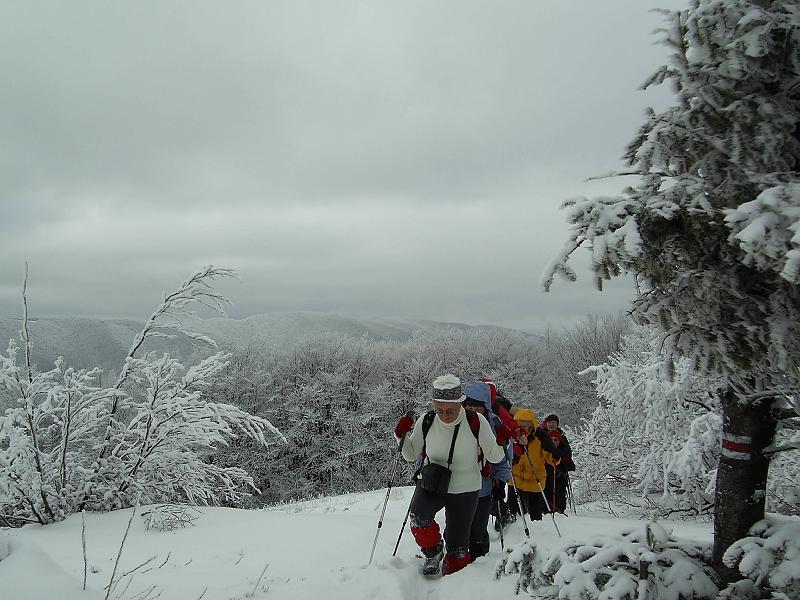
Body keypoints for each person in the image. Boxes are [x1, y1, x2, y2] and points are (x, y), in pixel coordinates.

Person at [393, 374, 508, 576]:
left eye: (450, 410)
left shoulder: (476, 421)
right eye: (440, 409)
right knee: (418, 517)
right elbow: (411, 455)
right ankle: (434, 550)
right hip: (433, 481)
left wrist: (502, 441)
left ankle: (454, 585)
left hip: (466, 487)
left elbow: (495, 456)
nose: (445, 415)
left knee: (458, 547)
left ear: (460, 404)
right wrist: (401, 436)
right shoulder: (427, 420)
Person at [462, 381, 512, 561]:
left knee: (478, 526)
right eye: (467, 405)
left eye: (476, 406)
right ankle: (458, 556)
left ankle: (479, 558)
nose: (471, 410)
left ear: (485, 406)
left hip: (484, 486)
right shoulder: (456, 423)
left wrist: (502, 482)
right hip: (458, 487)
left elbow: (504, 457)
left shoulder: (495, 424)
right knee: (458, 526)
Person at [506, 408, 562, 522]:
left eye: (525, 426)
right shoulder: (511, 438)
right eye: (518, 425)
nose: (520, 429)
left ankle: (537, 532)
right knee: (513, 509)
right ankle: (510, 530)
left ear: (531, 426)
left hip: (535, 480)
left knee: (535, 511)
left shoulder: (540, 439)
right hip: (515, 478)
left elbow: (549, 457)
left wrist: (555, 457)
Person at [542, 414, 575, 514]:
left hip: (560, 469)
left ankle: (560, 510)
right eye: (549, 422)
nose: (551, 424)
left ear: (557, 424)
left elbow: (567, 452)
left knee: (560, 490)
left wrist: (558, 453)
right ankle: (546, 510)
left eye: (553, 422)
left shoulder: (562, 436)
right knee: (546, 489)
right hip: (544, 468)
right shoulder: (541, 435)